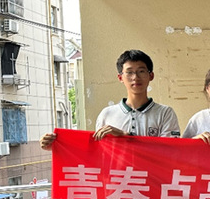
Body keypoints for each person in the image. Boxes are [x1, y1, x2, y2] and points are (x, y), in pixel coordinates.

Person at [40, 50, 180, 149]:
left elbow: (170, 152)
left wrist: (124, 136)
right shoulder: (107, 114)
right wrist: (57, 146)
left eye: (141, 71)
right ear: (120, 78)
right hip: (118, 180)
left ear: (151, 76)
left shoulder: (165, 113)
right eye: (129, 72)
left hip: (153, 182)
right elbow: (96, 151)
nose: (135, 77)